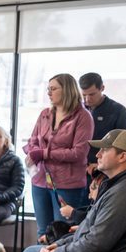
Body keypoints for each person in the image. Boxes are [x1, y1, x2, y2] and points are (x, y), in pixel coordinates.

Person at [24, 73, 93, 242]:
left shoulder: (83, 117)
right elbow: (32, 140)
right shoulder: (44, 114)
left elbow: (79, 152)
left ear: (67, 90)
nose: (49, 93)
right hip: (40, 181)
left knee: (61, 234)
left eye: (53, 89)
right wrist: (33, 152)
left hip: (67, 185)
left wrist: (44, 153)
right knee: (43, 233)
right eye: (48, 89)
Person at [79, 73, 126, 192]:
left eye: (92, 94)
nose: (87, 99)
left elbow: (124, 146)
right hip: (78, 172)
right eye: (84, 95)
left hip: (103, 172)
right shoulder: (78, 111)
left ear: (102, 88)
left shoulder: (118, 111)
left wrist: (99, 166)